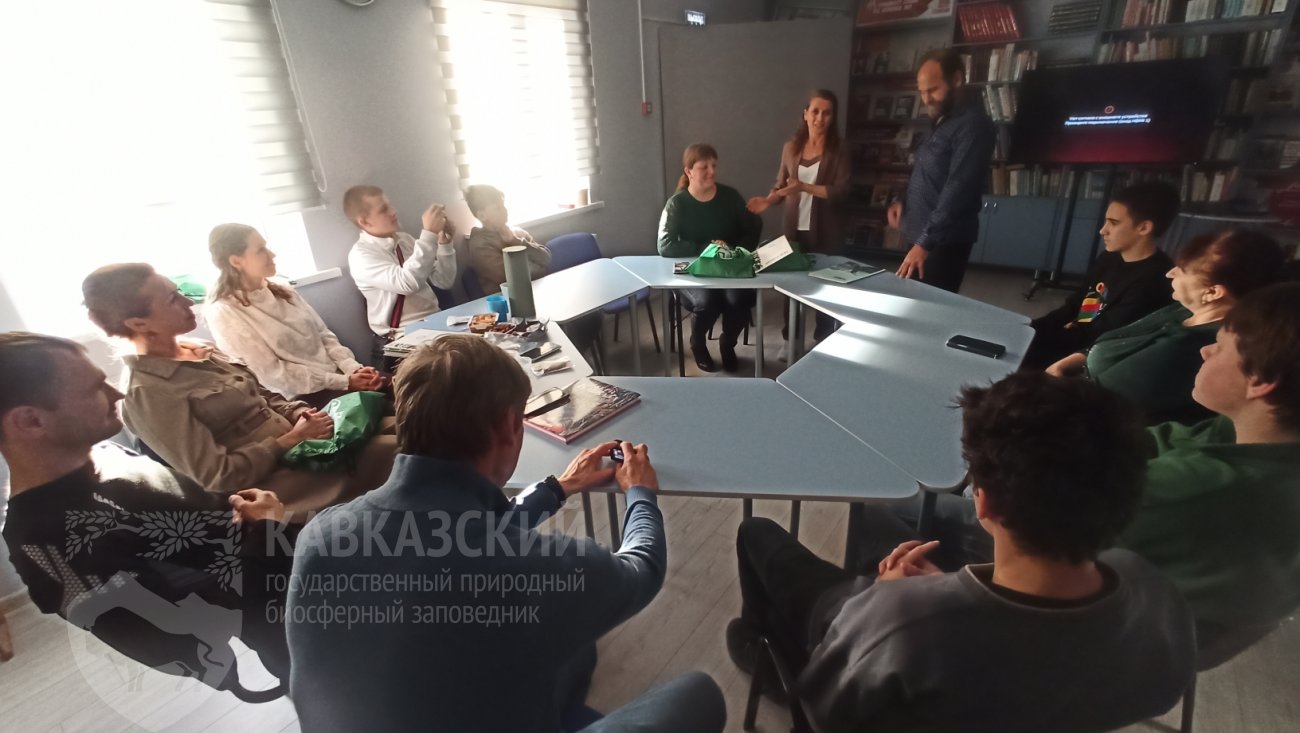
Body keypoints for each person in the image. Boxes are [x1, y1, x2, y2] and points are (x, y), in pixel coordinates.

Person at [286, 335, 725, 733]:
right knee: (699, 694)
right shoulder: (546, 570)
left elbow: (460, 542)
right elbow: (642, 569)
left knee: (569, 652)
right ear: (508, 427)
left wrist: (557, 488)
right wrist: (640, 493)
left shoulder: (321, 536)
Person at [729, 372, 1195, 731]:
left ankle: (761, 648)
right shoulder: (1152, 592)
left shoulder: (901, 621)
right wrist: (945, 593)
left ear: (983, 502)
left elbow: (822, 713)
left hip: (872, 628)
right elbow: (1159, 691)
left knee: (757, 533)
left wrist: (892, 597)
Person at [863, 283, 1300, 631]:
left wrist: (950, 591)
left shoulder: (1198, 489)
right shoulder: (1249, 437)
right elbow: (1154, 440)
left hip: (1095, 630)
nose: (1204, 351)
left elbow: (1036, 542)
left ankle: (877, 628)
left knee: (880, 511)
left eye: (1219, 346)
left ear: (1260, 380)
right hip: (1152, 608)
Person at [0, 332, 298, 681]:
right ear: (30, 421)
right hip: (303, 636)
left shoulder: (105, 454)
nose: (117, 394)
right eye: (94, 389)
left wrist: (250, 515)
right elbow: (180, 644)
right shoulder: (45, 539)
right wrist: (267, 530)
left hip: (307, 579)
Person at [81, 263, 396, 510]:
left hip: (305, 444)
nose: (188, 301)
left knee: (409, 421)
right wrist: (290, 440)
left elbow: (263, 396)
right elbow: (217, 476)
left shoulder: (198, 349)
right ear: (138, 323)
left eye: (178, 292)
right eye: (172, 299)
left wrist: (300, 413)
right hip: (276, 482)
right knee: (403, 451)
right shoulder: (147, 393)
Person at [1046, 229, 1288, 424]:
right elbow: (1118, 341)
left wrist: (1051, 385)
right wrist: (1068, 362)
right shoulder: (1184, 310)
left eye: (1182, 270)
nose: (1170, 273)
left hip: (1099, 421)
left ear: (1213, 292)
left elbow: (1100, 403)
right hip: (1077, 386)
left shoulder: (1191, 346)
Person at [205, 223, 384, 408]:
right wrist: (343, 382)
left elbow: (323, 335)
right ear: (236, 261)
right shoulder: (224, 312)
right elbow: (271, 373)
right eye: (261, 250)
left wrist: (353, 369)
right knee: (394, 413)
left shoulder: (283, 291)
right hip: (300, 399)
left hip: (340, 379)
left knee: (401, 388)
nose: (272, 254)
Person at [1022, 180, 1181, 370]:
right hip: (1074, 340)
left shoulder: (1155, 280)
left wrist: (1036, 339)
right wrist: (1031, 328)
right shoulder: (1110, 257)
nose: (1102, 230)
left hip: (1092, 360)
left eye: (1113, 223)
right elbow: (1076, 305)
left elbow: (1101, 337)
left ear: (1144, 228)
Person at [887, 48, 997, 293]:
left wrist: (924, 243)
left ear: (956, 79)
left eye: (933, 90)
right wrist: (901, 200)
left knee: (929, 307)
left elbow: (958, 188)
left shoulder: (974, 125)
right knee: (912, 302)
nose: (926, 99)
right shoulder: (941, 118)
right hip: (922, 234)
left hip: (943, 242)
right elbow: (925, 169)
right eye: (922, 91)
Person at [748, 89, 852, 346]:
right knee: (791, 287)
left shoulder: (841, 150)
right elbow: (781, 184)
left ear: (833, 117)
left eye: (826, 113)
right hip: (793, 230)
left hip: (827, 231)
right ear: (805, 114)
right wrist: (769, 200)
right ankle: (790, 339)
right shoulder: (790, 148)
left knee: (826, 287)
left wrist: (804, 187)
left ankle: (823, 339)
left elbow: (841, 192)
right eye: (815, 111)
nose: (820, 118)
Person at [657, 143, 762, 373]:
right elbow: (665, 245)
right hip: (695, 271)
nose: (712, 172)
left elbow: (752, 227)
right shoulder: (677, 204)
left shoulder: (730, 196)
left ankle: (727, 344)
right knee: (707, 303)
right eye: (704, 167)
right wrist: (707, 248)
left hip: (729, 267)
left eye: (713, 165)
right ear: (689, 171)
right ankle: (697, 343)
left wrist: (734, 250)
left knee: (741, 300)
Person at [343, 185, 458, 366]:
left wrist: (444, 243)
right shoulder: (361, 256)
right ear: (365, 222)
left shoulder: (405, 240)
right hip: (403, 336)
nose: (393, 211)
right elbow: (407, 283)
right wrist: (428, 234)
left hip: (435, 323)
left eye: (390, 205)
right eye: (384, 209)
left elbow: (443, 280)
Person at [465, 184, 552, 295]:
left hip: (537, 290)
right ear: (482, 216)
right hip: (510, 299)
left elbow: (546, 258)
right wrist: (538, 266)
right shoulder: (480, 245)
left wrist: (515, 241)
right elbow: (514, 278)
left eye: (503, 205)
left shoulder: (517, 232)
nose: (505, 210)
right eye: (498, 208)